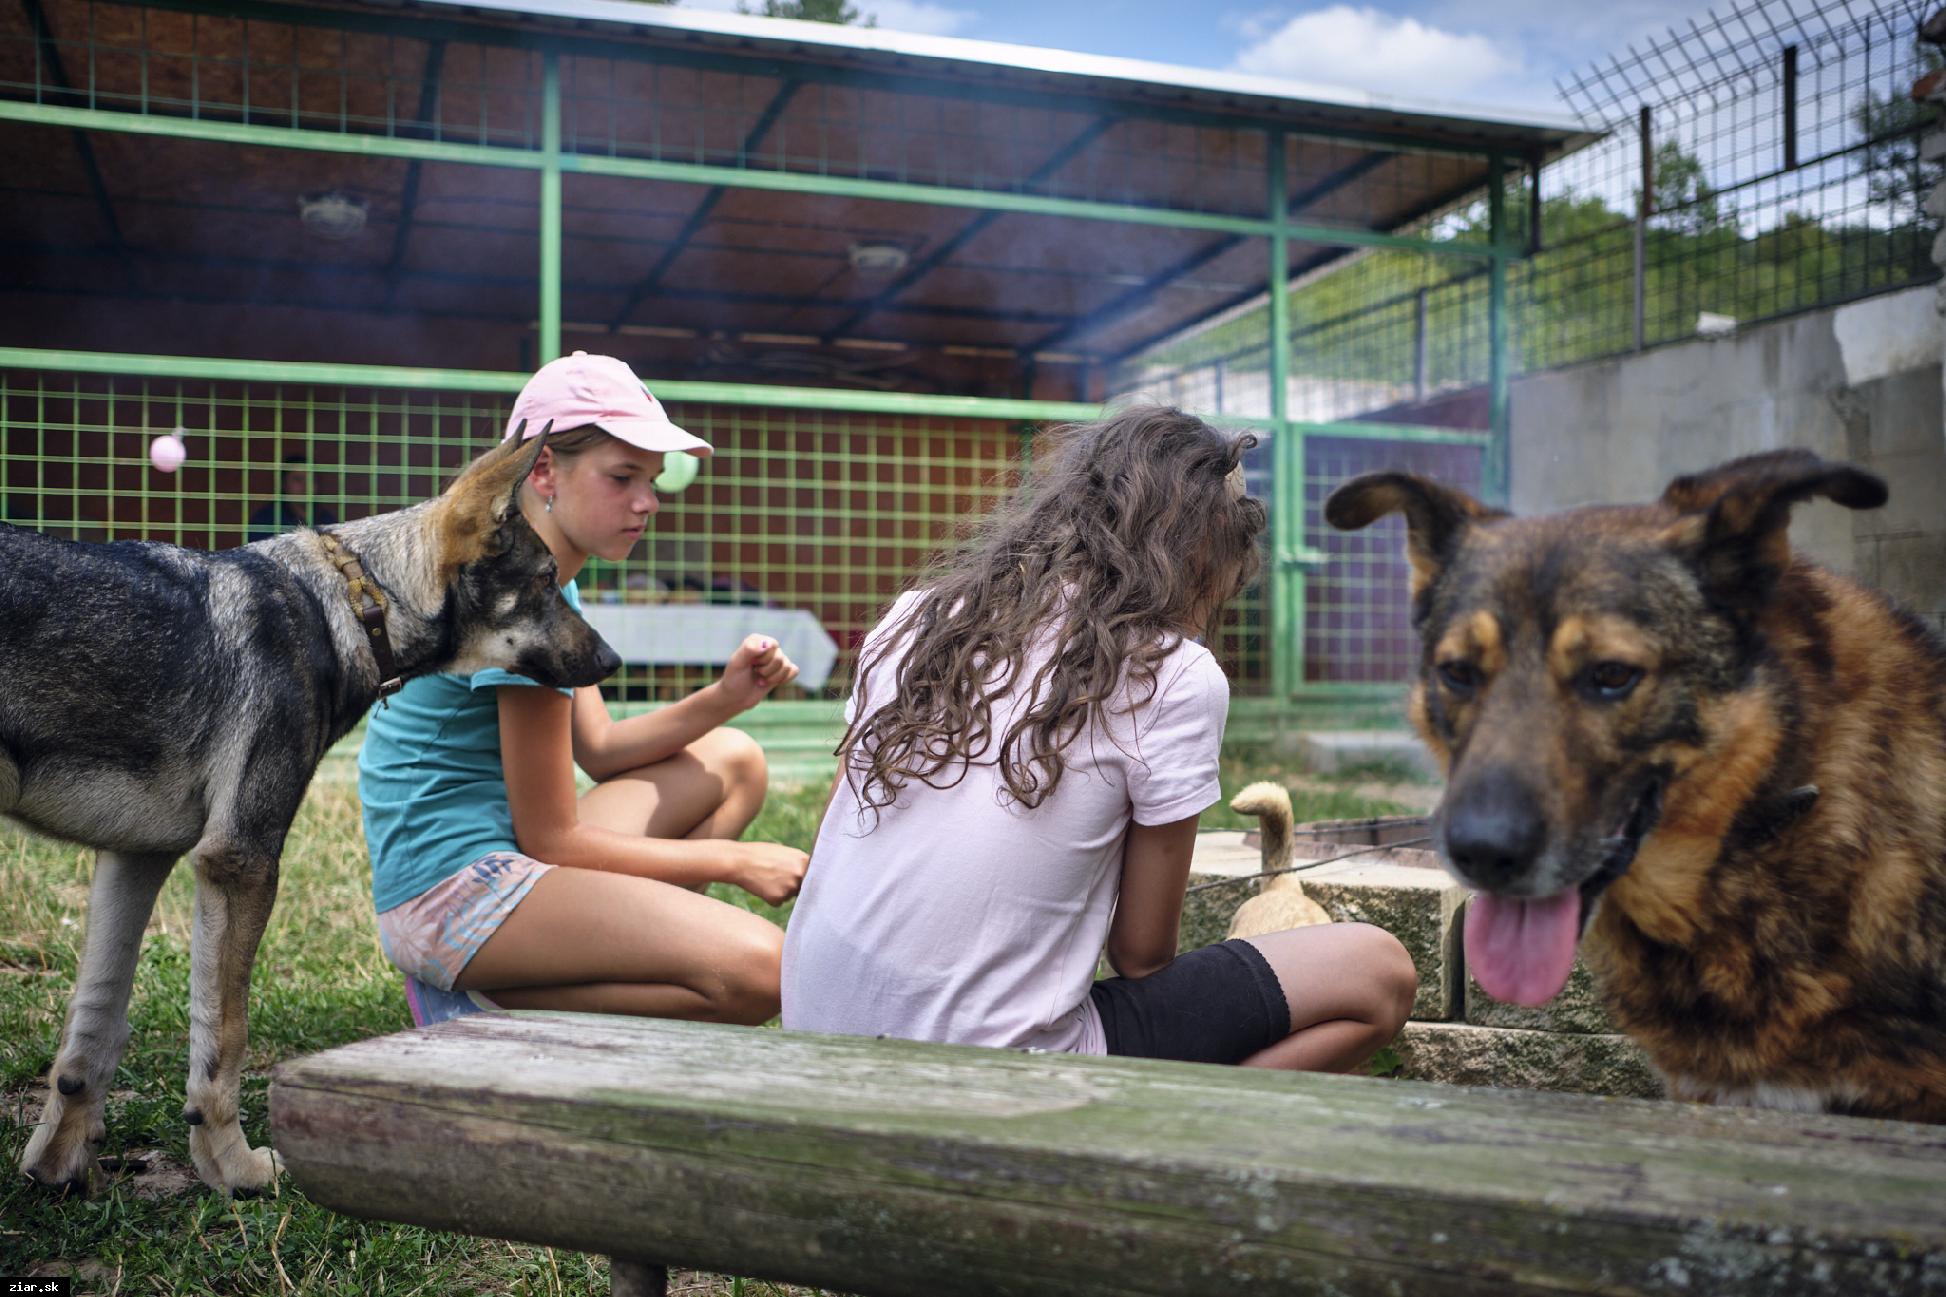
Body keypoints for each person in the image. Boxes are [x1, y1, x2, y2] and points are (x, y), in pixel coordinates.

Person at [782, 407, 1417, 1069]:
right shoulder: (1172, 674)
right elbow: (1142, 954)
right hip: (1000, 1069)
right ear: (1203, 547)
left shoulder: (916, 617)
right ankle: (1177, 1140)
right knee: (1377, 970)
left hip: (816, 1034)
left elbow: (839, 829)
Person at [358, 351, 807, 1024]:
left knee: (734, 759)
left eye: (651, 480)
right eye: (623, 477)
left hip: (507, 850)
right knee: (763, 971)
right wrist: (736, 860)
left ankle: (589, 958)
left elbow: (597, 748)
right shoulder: (511, 594)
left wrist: (725, 697)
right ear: (543, 470)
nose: (648, 501)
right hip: (452, 896)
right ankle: (489, 1000)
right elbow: (555, 841)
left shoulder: (543, 571)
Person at [247, 451, 338, 542]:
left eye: (311, 479)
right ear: (283, 484)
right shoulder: (265, 521)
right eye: (298, 479)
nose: (306, 485)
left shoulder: (327, 520)